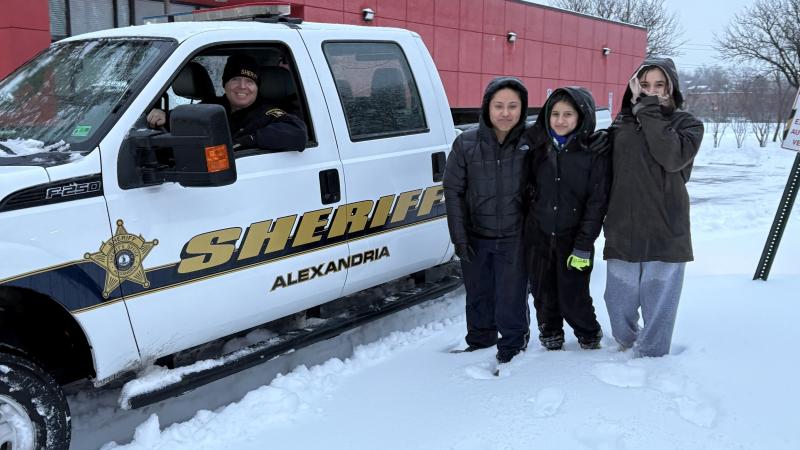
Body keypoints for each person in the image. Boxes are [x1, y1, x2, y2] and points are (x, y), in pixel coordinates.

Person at [603, 57, 704, 358]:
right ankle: (626, 344)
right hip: (624, 227)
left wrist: (647, 110)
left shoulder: (688, 125)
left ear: (671, 88)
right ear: (633, 87)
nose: (651, 91)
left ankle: (653, 359)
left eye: (659, 85)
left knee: (659, 303)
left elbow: (670, 156)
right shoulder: (621, 125)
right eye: (644, 85)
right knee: (617, 301)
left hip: (666, 229)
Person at [443, 77, 531, 364]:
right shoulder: (466, 144)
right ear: (487, 107)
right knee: (478, 295)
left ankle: (513, 349)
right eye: (499, 106)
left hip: (516, 236)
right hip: (476, 235)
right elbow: (453, 191)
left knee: (511, 296)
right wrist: (460, 236)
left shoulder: (532, 143)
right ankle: (480, 342)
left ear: (522, 109)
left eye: (512, 106)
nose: (505, 113)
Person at [524, 87, 610, 351]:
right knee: (543, 293)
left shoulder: (593, 153)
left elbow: (596, 204)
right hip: (539, 235)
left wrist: (584, 244)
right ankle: (550, 332)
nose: (560, 120)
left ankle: (589, 333)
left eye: (568, 114)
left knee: (574, 295)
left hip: (574, 239)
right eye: (555, 114)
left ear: (581, 117)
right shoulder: (536, 148)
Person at [147, 54, 307, 152]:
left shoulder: (268, 113)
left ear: (257, 88)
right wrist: (165, 116)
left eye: (249, 81)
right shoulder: (211, 106)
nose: (242, 86)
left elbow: (299, 133)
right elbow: (188, 121)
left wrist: (250, 140)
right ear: (225, 84)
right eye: (235, 79)